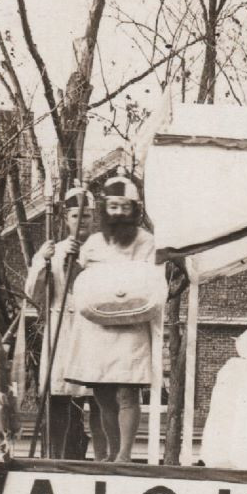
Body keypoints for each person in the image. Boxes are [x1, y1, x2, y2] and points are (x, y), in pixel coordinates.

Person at [60, 175, 157, 463]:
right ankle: (113, 451)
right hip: (98, 327)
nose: (117, 213)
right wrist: (68, 260)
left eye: (123, 207)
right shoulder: (91, 244)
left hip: (131, 326)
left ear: (134, 210)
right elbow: (77, 283)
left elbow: (149, 281)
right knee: (102, 395)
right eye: (112, 207)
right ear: (105, 209)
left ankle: (125, 454)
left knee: (127, 392)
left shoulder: (147, 242)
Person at [23, 189, 99, 460]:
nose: (82, 222)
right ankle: (56, 456)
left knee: (97, 394)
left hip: (92, 329)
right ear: (66, 218)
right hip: (62, 330)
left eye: (87, 216)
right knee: (59, 395)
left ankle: (102, 457)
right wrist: (42, 263)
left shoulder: (101, 251)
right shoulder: (53, 253)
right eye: (76, 216)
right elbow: (34, 294)